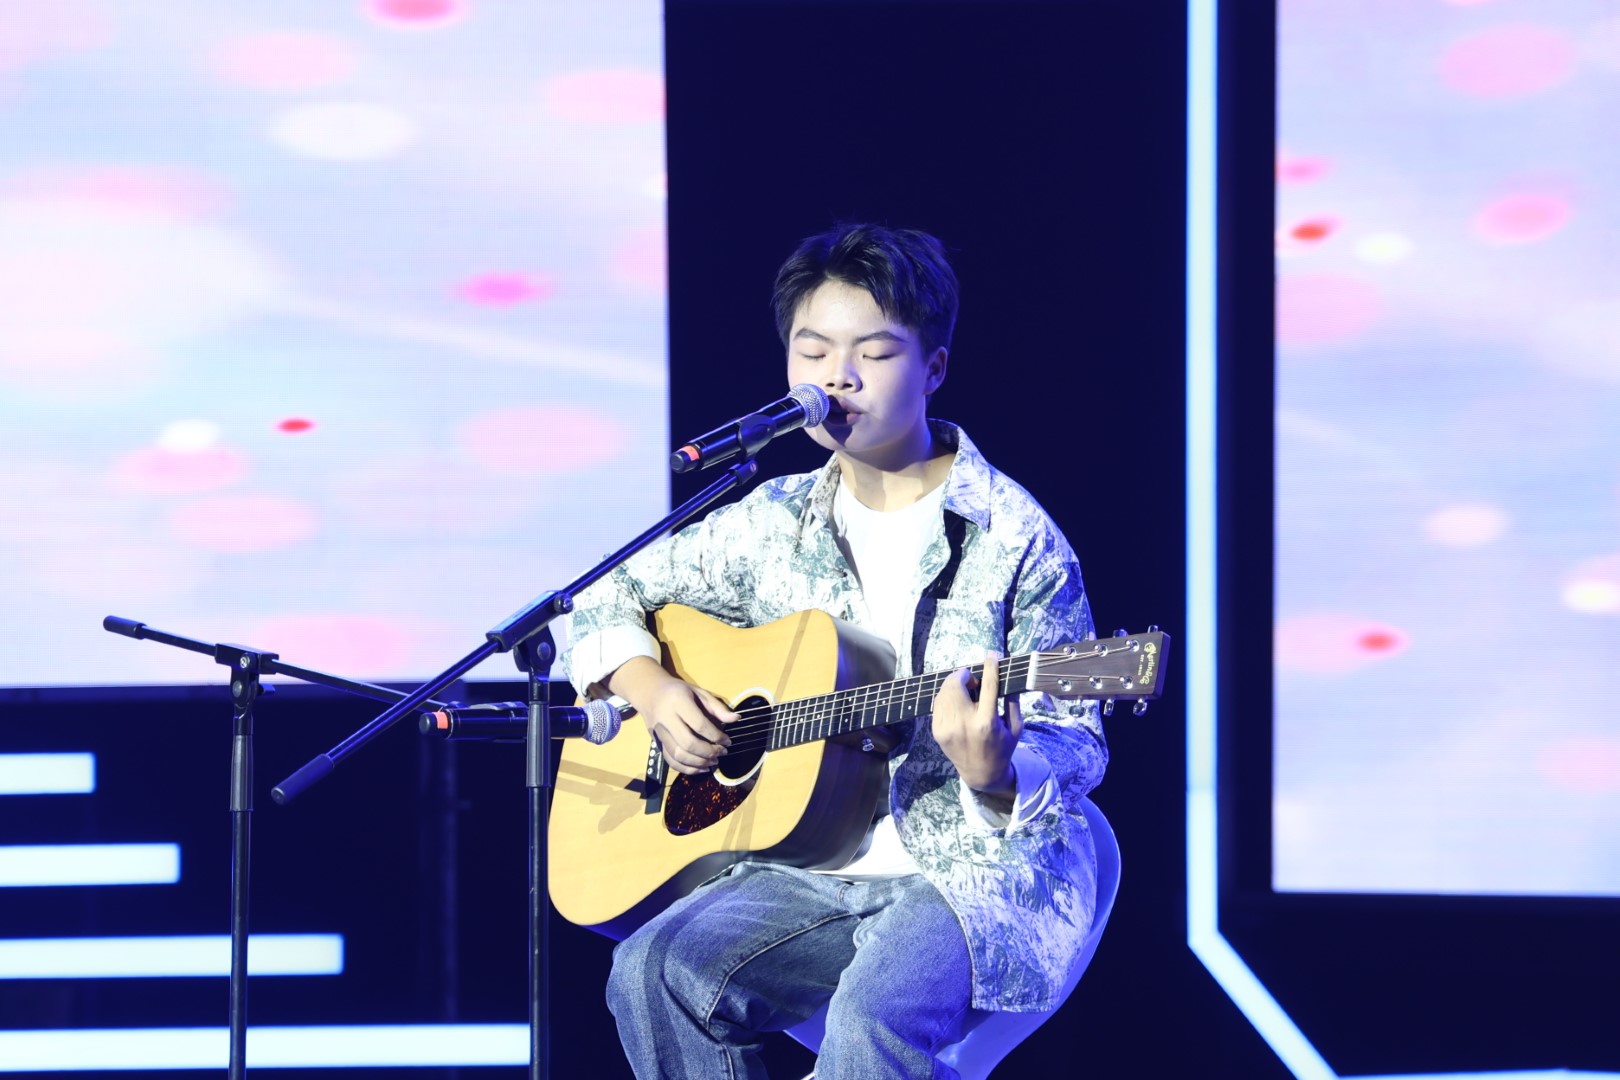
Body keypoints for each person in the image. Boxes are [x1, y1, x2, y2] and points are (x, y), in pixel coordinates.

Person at [560, 223, 1107, 1079]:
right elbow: (598, 595)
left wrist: (997, 772)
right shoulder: (768, 523)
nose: (836, 377)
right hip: (808, 863)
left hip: (965, 873)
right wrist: (655, 692)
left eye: (874, 353)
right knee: (653, 972)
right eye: (811, 351)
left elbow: (1076, 739)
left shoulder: (1013, 536)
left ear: (933, 367)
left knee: (870, 1017)